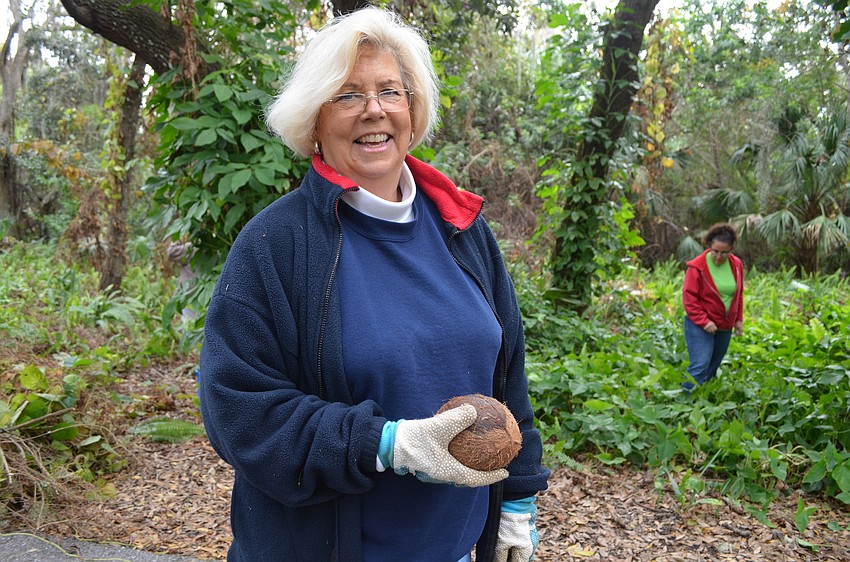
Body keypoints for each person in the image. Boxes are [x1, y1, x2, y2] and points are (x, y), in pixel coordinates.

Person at [198, 7, 549, 562]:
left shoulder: (462, 227)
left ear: (412, 109)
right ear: (313, 121)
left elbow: (508, 374)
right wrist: (388, 445)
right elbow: (238, 410)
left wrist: (518, 498)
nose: (373, 110)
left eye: (390, 91)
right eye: (346, 95)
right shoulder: (274, 244)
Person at [682, 223, 744, 391]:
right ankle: (685, 399)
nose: (718, 257)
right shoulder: (697, 267)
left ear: (731, 249)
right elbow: (689, 298)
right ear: (709, 245)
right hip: (699, 323)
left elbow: (738, 294)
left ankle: (702, 398)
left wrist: (738, 319)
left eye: (724, 253)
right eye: (715, 251)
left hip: (724, 324)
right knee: (700, 365)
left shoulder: (737, 265)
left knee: (712, 367)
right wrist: (704, 321)